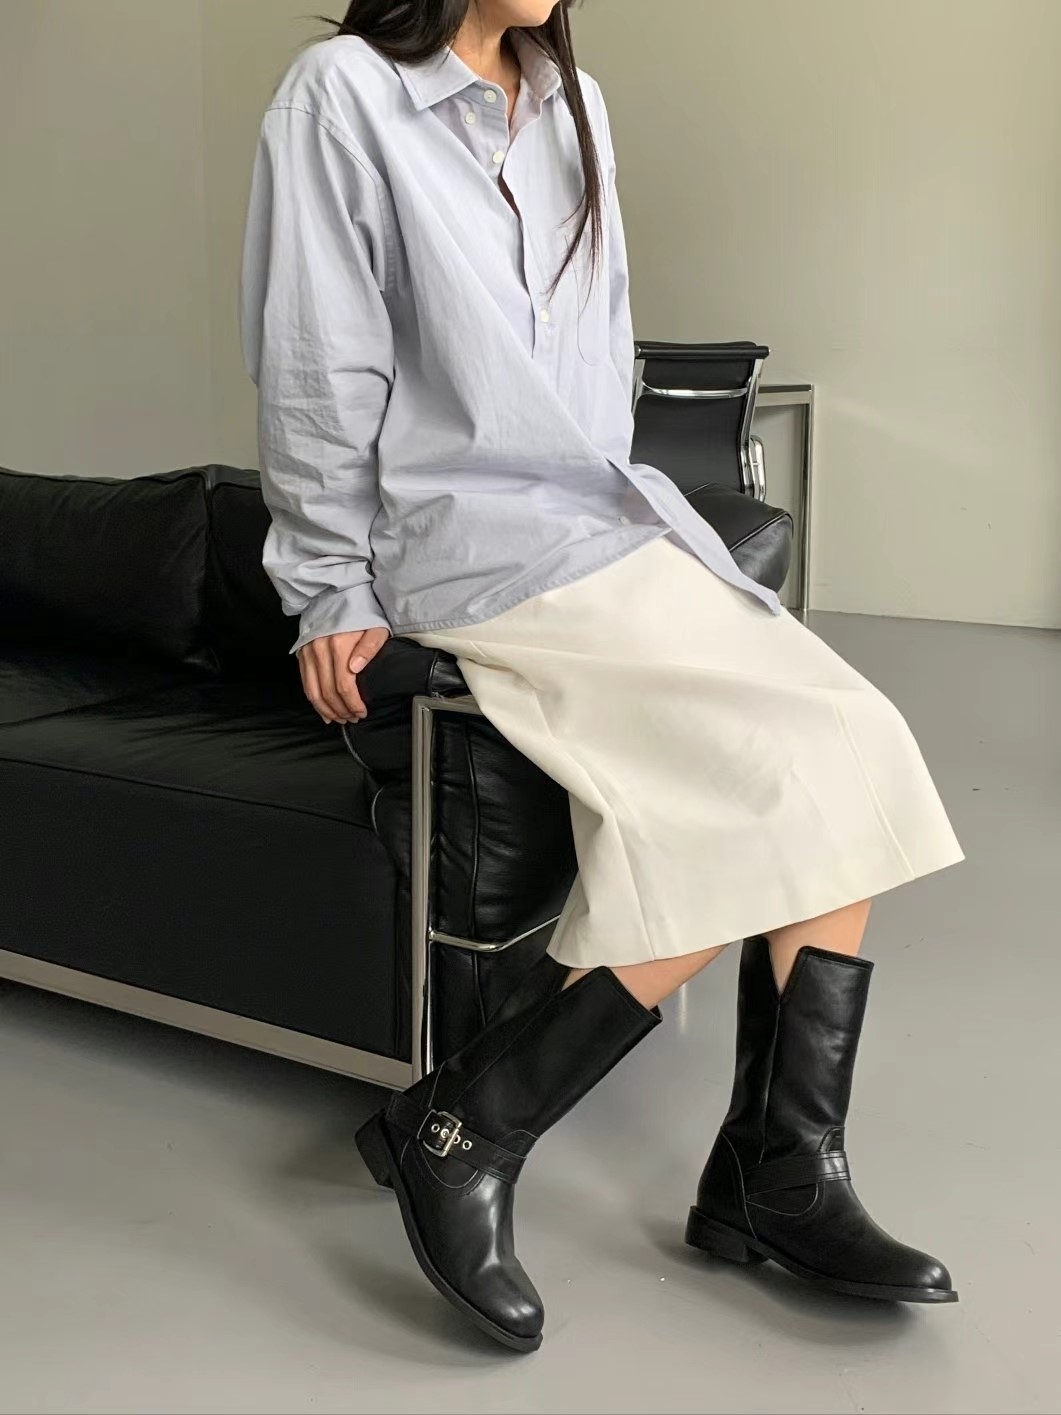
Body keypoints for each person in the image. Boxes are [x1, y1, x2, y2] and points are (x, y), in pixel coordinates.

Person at [239, 0, 965, 1353]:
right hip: (464, 542)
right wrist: (328, 582)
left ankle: (774, 1173)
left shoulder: (576, 105)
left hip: (604, 525)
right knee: (768, 788)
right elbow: (314, 357)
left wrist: (640, 523)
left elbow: (597, 340)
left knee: (854, 738)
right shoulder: (342, 92)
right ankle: (473, 1132)